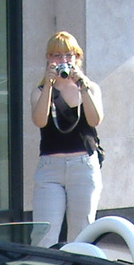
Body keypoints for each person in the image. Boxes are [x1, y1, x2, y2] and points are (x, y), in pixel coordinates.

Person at [29, 31, 104, 246]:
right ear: (48, 59)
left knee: (82, 234)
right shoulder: (40, 91)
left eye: (68, 56)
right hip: (50, 168)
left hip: (83, 166)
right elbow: (39, 121)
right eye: (57, 56)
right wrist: (50, 86)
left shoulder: (90, 88)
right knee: (44, 235)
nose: (63, 61)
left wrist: (82, 86)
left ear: (77, 58)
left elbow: (95, 119)